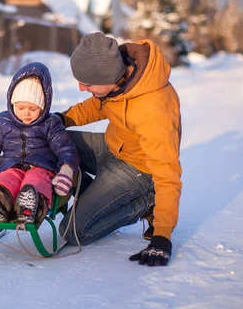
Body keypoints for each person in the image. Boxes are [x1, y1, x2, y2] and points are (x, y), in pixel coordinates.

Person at [56, 32, 182, 267]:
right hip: (111, 147)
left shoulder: (154, 112)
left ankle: (145, 202)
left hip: (137, 168)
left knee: (72, 232)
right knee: (51, 142)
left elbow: (168, 173)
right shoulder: (118, 79)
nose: (81, 88)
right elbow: (99, 104)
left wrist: (162, 236)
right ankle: (93, 195)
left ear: (107, 78)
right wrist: (60, 120)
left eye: (87, 83)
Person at [0, 62, 79, 224]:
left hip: (42, 168)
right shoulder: (3, 122)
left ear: (43, 106)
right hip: (11, 167)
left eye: (33, 108)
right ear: (12, 103)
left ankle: (30, 205)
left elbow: (66, 149)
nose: (26, 113)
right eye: (21, 107)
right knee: (6, 179)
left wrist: (65, 171)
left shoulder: (51, 123)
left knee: (36, 179)